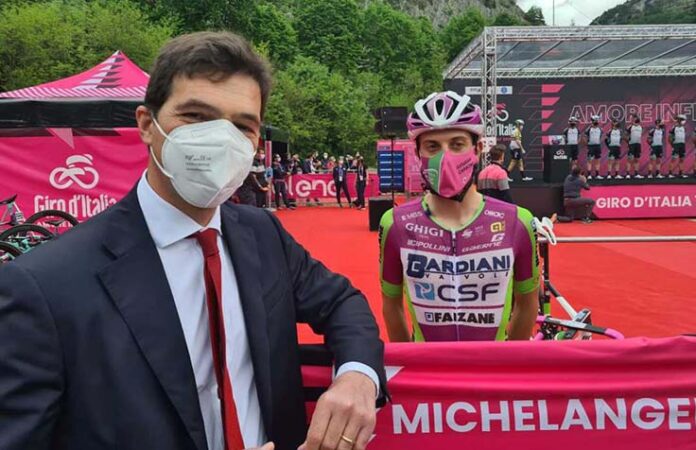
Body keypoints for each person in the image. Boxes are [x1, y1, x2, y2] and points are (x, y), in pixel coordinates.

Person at [0, 32, 387, 450]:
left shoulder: (263, 234)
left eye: (242, 126)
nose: (220, 139)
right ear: (147, 125)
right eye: (196, 117)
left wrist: (357, 377)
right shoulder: (45, 285)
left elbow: (342, 302)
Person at [379, 91, 539, 343]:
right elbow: (391, 305)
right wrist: (407, 362)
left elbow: (528, 304)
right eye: (433, 146)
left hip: (492, 367)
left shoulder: (517, 221)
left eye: (457, 144)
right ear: (418, 153)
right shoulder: (395, 223)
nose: (445, 157)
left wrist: (508, 360)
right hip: (426, 367)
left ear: (477, 149)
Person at [584, 115, 603, 180]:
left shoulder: (600, 129)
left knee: (598, 160)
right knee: (590, 160)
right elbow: (585, 137)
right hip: (591, 146)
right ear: (592, 121)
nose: (596, 122)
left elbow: (601, 137)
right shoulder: (588, 129)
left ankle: (597, 174)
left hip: (598, 146)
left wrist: (598, 142)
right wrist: (587, 144)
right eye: (595, 120)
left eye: (597, 120)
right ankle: (589, 175)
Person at [669, 114, 688, 178]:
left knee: (682, 159)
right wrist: (673, 145)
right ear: (679, 120)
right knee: (673, 159)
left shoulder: (684, 127)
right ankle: (670, 173)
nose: (683, 121)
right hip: (676, 145)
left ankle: (681, 173)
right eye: (682, 120)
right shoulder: (674, 127)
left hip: (682, 145)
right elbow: (669, 138)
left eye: (683, 120)